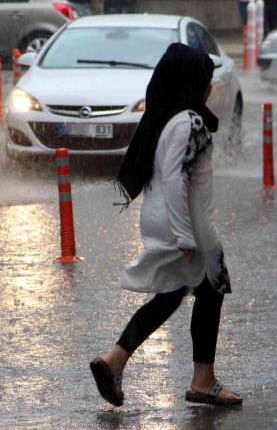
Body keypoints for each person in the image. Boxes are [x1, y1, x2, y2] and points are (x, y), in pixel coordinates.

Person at [90, 43, 243, 408]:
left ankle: (114, 361)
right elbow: (175, 180)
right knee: (211, 289)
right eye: (207, 79)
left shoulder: (168, 117)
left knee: (174, 293)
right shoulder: (188, 121)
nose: (211, 87)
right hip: (188, 222)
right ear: (194, 81)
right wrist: (187, 235)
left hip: (166, 216)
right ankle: (202, 380)